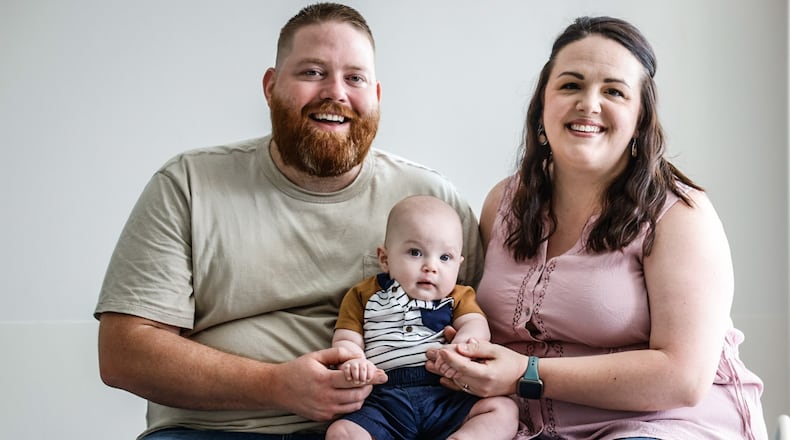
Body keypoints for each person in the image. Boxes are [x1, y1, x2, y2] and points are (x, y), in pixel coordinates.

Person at [94, 3, 484, 439]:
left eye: (353, 78)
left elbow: (491, 328)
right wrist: (276, 385)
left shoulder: (431, 201)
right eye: (312, 72)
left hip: (391, 426)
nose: (335, 92)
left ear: (375, 95)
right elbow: (122, 353)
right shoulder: (188, 184)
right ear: (271, 86)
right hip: (212, 430)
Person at [426, 15, 769, 440]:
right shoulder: (503, 202)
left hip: (658, 425)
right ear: (542, 106)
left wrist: (525, 373)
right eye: (571, 85)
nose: (589, 103)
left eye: (613, 91)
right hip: (518, 425)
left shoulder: (680, 214)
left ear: (641, 118)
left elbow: (683, 378)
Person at [326, 195, 518, 440]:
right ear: (385, 259)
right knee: (341, 432)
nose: (431, 266)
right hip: (384, 399)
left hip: (447, 393)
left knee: (503, 409)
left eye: (445, 258)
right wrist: (353, 361)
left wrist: (463, 344)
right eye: (415, 253)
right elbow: (346, 338)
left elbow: (475, 323)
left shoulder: (458, 296)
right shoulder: (364, 295)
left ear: (458, 265)